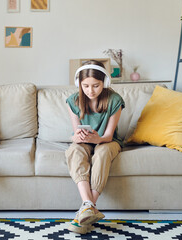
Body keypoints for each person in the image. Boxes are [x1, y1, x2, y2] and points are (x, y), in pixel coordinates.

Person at [65, 60, 125, 234]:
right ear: (79, 84)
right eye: (85, 86)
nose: (90, 91)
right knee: (74, 150)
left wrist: (97, 139)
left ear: (105, 83)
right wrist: (76, 137)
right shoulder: (73, 101)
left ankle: (85, 210)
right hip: (84, 142)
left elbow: (108, 136)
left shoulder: (115, 100)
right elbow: (74, 132)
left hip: (108, 141)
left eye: (96, 86)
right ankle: (89, 206)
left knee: (102, 152)